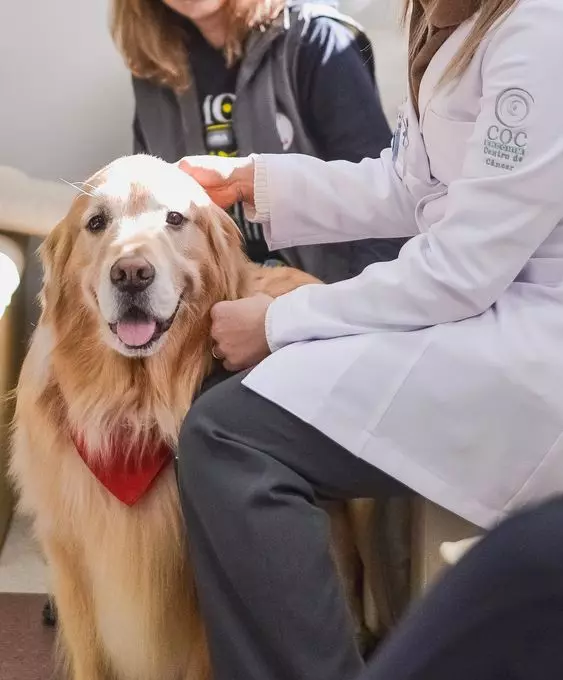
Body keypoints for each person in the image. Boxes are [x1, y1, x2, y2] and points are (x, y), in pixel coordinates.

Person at [175, 0, 563, 678]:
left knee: (229, 437)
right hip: (479, 310)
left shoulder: (539, 31)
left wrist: (278, 323)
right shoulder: (443, 15)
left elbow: (461, 268)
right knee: (226, 423)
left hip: (530, 340)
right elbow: (409, 183)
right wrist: (254, 180)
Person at [110, 0, 406, 282]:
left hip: (322, 303)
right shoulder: (153, 71)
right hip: (209, 308)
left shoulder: (318, 41)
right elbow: (143, 216)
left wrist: (341, 316)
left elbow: (389, 214)